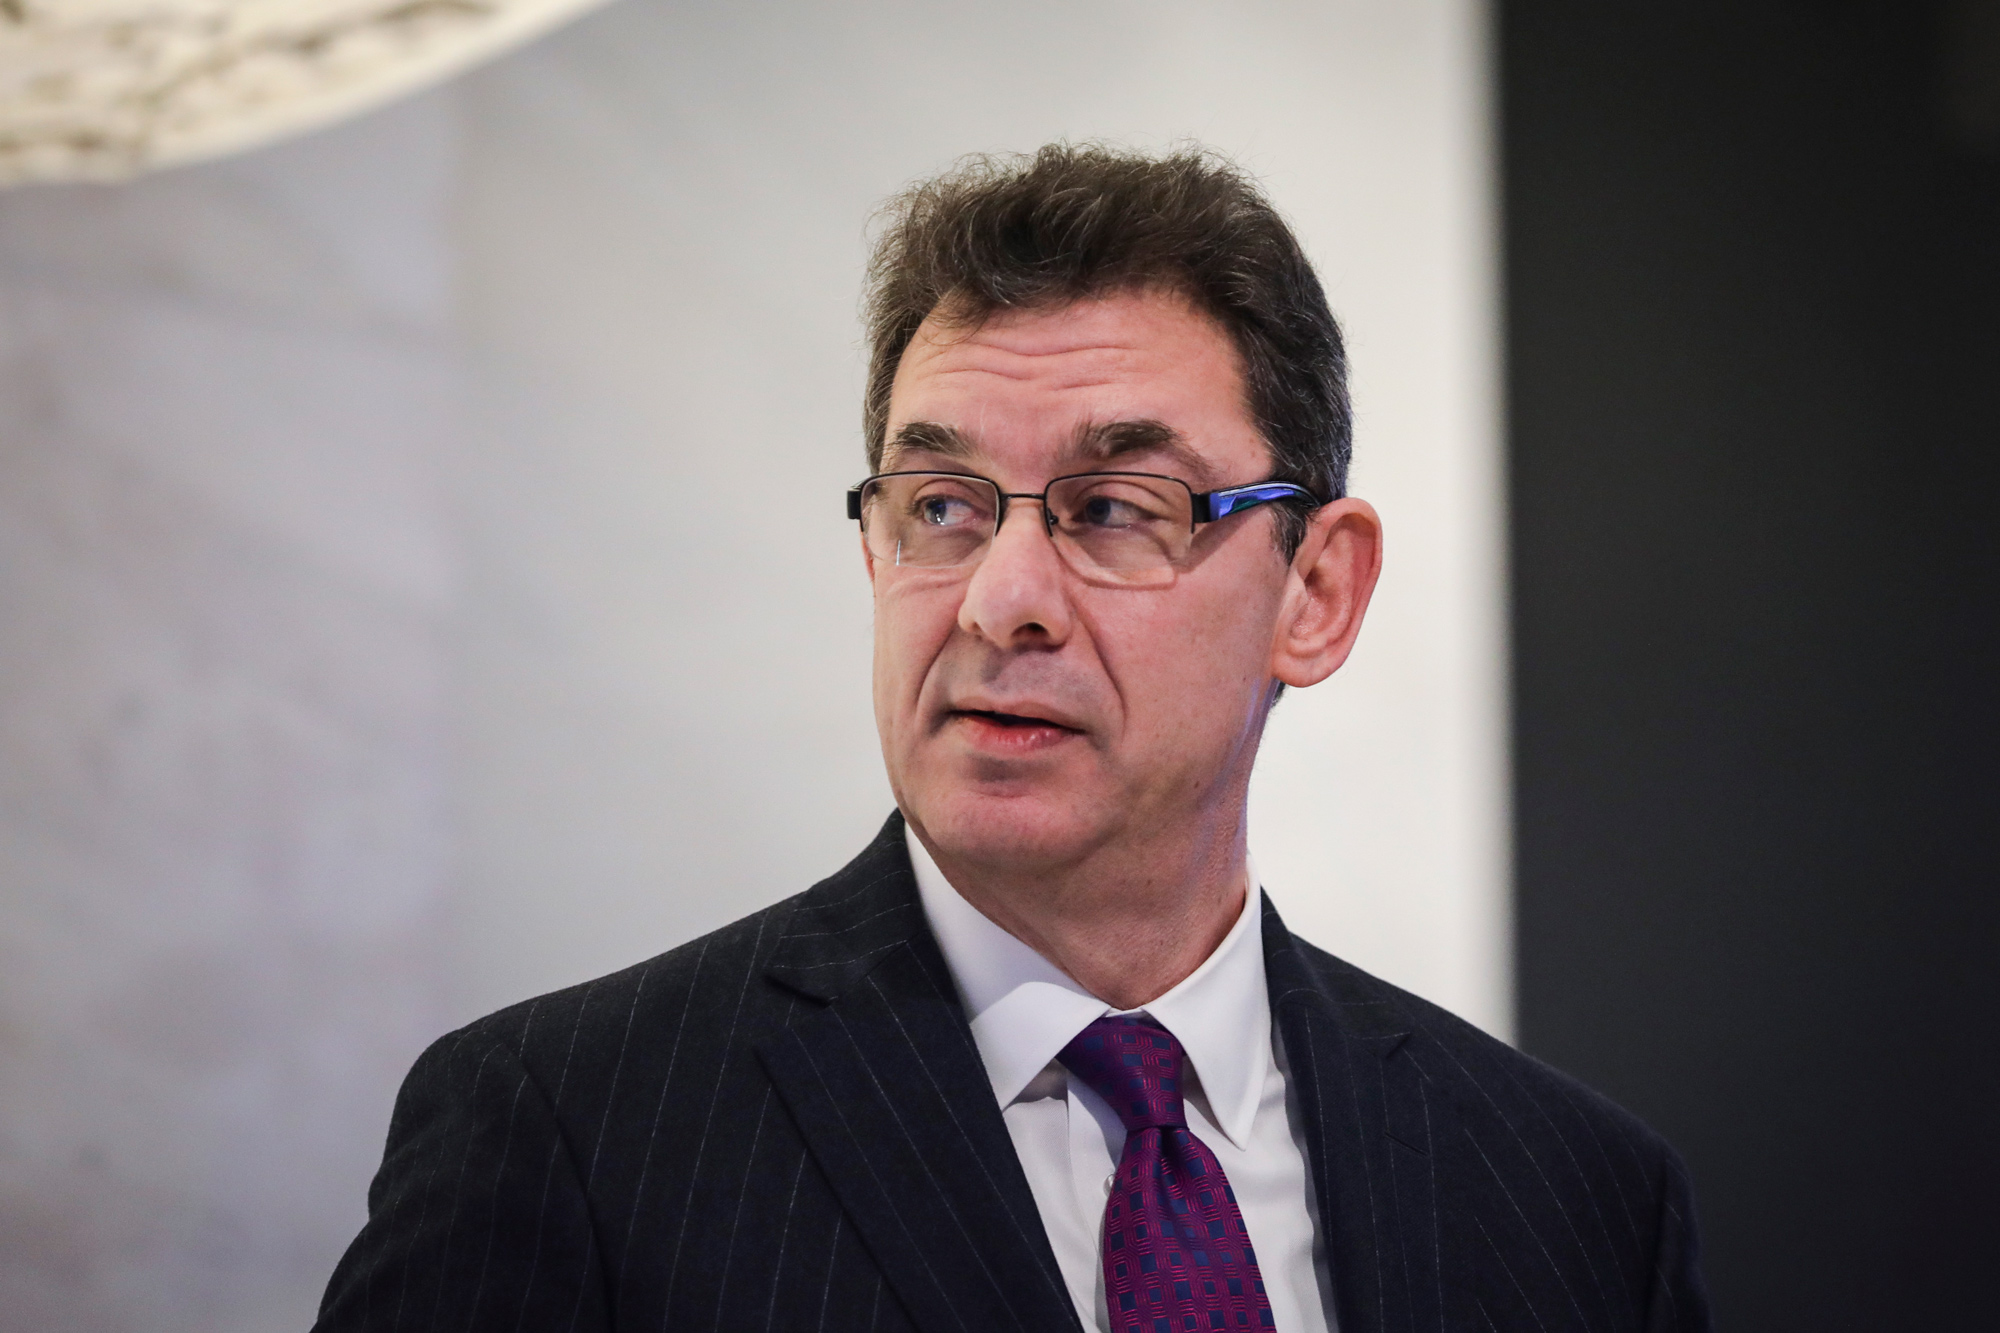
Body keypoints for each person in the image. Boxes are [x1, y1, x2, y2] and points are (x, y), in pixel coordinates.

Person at [313, 144, 1710, 1333]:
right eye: (941, 504)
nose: (999, 600)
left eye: (1113, 506)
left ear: (1316, 591)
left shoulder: (1572, 1198)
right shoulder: (566, 1138)